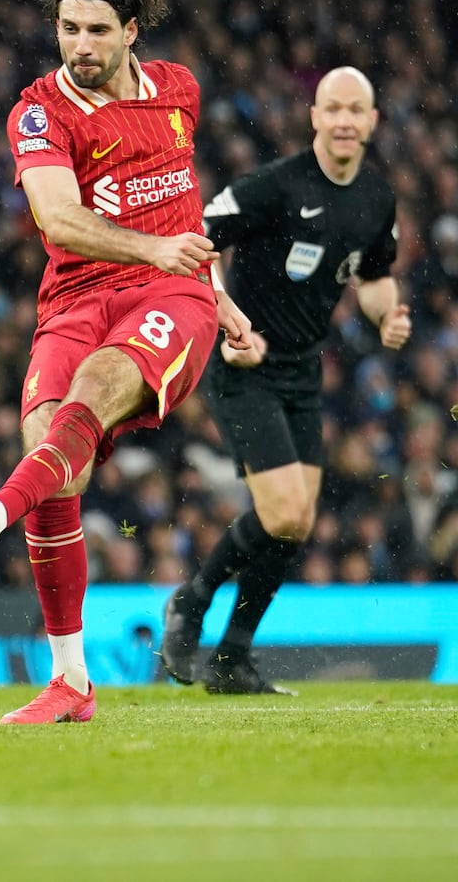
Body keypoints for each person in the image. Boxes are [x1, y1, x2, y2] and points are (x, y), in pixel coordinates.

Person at [0, 0, 252, 724]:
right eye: (68, 28)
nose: (81, 46)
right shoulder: (39, 111)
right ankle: (71, 681)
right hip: (75, 295)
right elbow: (60, 218)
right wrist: (154, 246)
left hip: (169, 293)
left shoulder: (178, 92)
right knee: (50, 452)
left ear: (131, 29)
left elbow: (184, 210)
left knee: (98, 386)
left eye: (98, 30)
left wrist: (216, 292)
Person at [161, 66, 407, 694]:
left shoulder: (377, 199)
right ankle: (190, 604)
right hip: (245, 367)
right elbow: (197, 241)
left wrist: (389, 315)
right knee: (282, 512)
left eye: (358, 110)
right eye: (335, 109)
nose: (347, 120)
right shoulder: (275, 187)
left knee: (296, 522)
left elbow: (374, 276)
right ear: (315, 118)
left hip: (302, 372)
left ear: (373, 121)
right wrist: (227, 321)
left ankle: (231, 658)